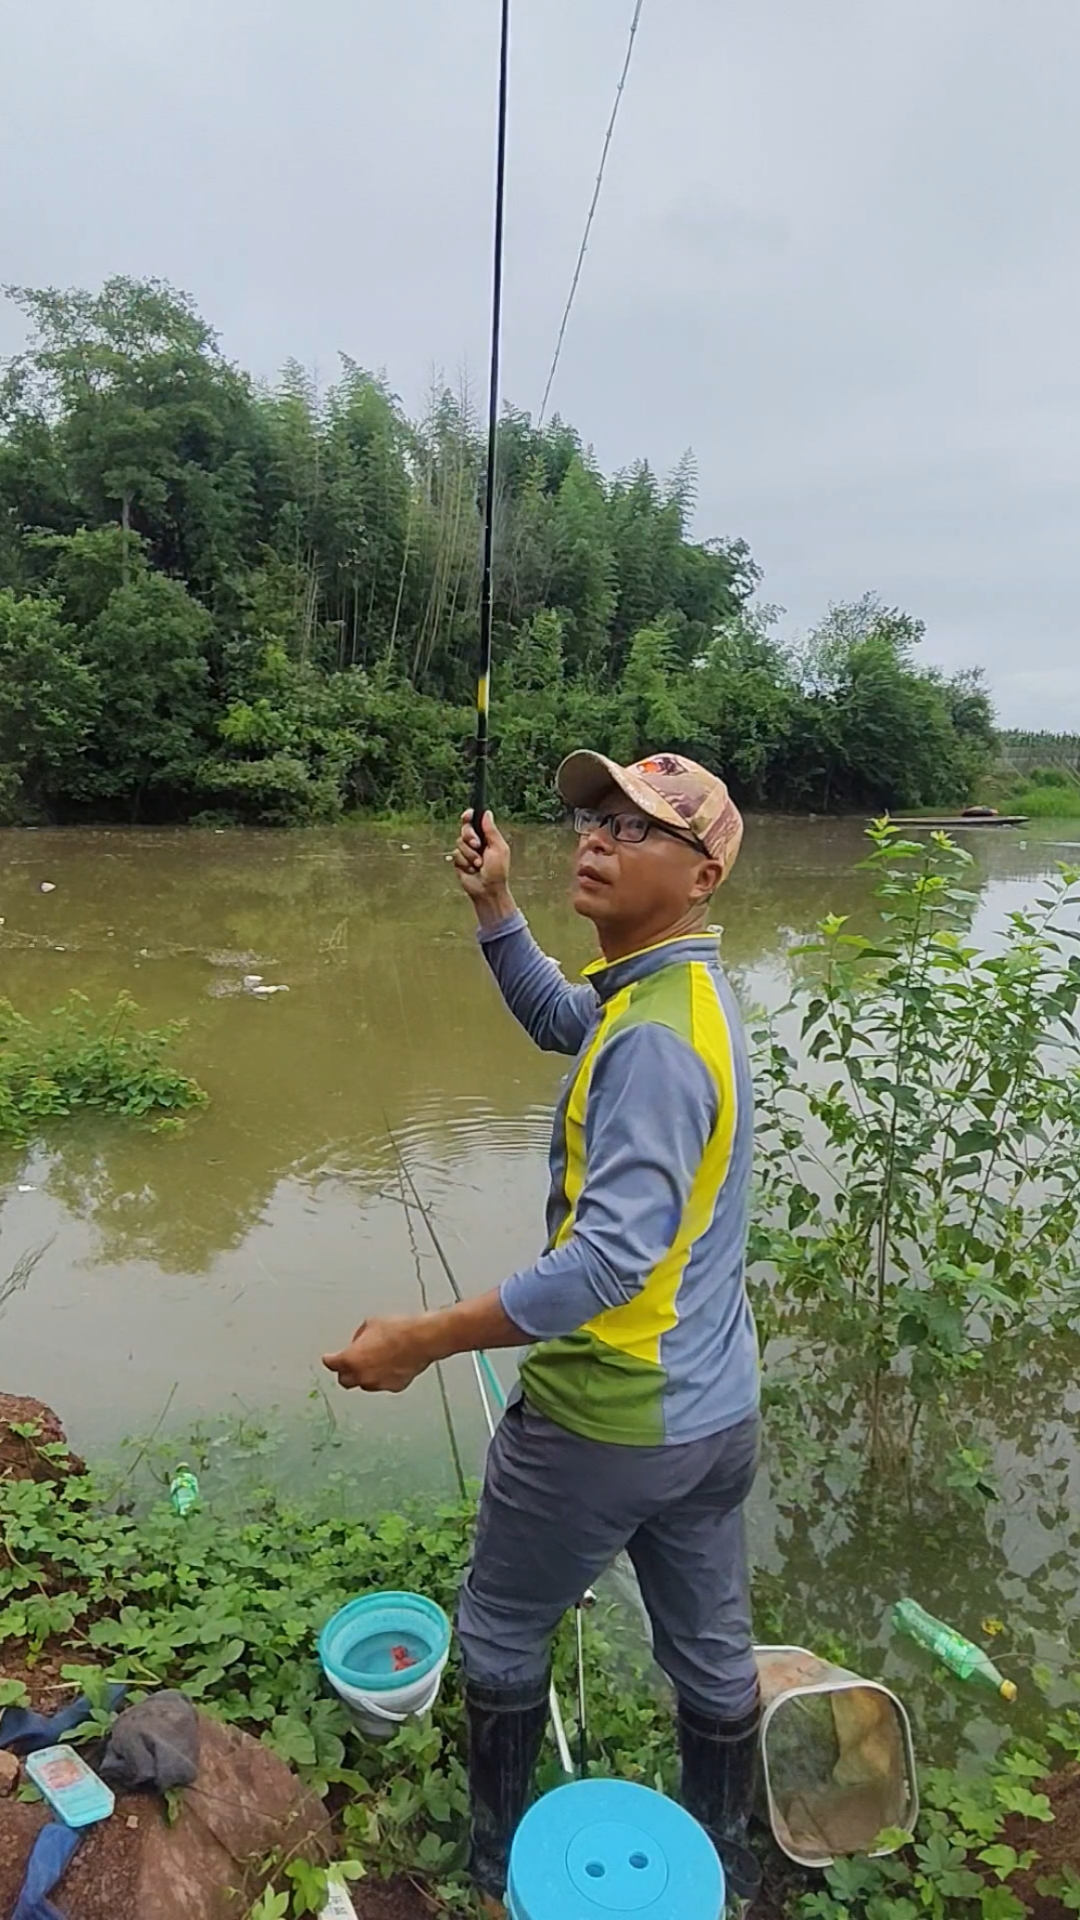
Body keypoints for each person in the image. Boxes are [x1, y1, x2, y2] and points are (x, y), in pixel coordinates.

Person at [323, 749, 762, 1914]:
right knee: (712, 1652)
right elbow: (563, 1017)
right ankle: (735, 1856)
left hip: (602, 1420)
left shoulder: (659, 1042)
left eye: (638, 828)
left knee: (504, 1629)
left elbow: (606, 1264)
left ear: (704, 872)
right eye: (595, 818)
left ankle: (489, 1862)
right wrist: (496, 908)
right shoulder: (663, 996)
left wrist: (426, 1338)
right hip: (711, 1414)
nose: (598, 839)